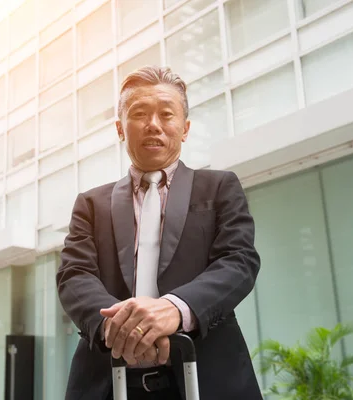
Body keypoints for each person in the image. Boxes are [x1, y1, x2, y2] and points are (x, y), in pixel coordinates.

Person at [56, 65, 262, 400]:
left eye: (167, 114)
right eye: (139, 113)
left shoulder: (220, 188)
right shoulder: (91, 204)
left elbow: (238, 262)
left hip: (206, 376)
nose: (153, 124)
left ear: (185, 128)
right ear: (120, 128)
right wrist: (117, 328)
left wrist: (175, 309)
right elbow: (74, 276)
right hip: (107, 382)